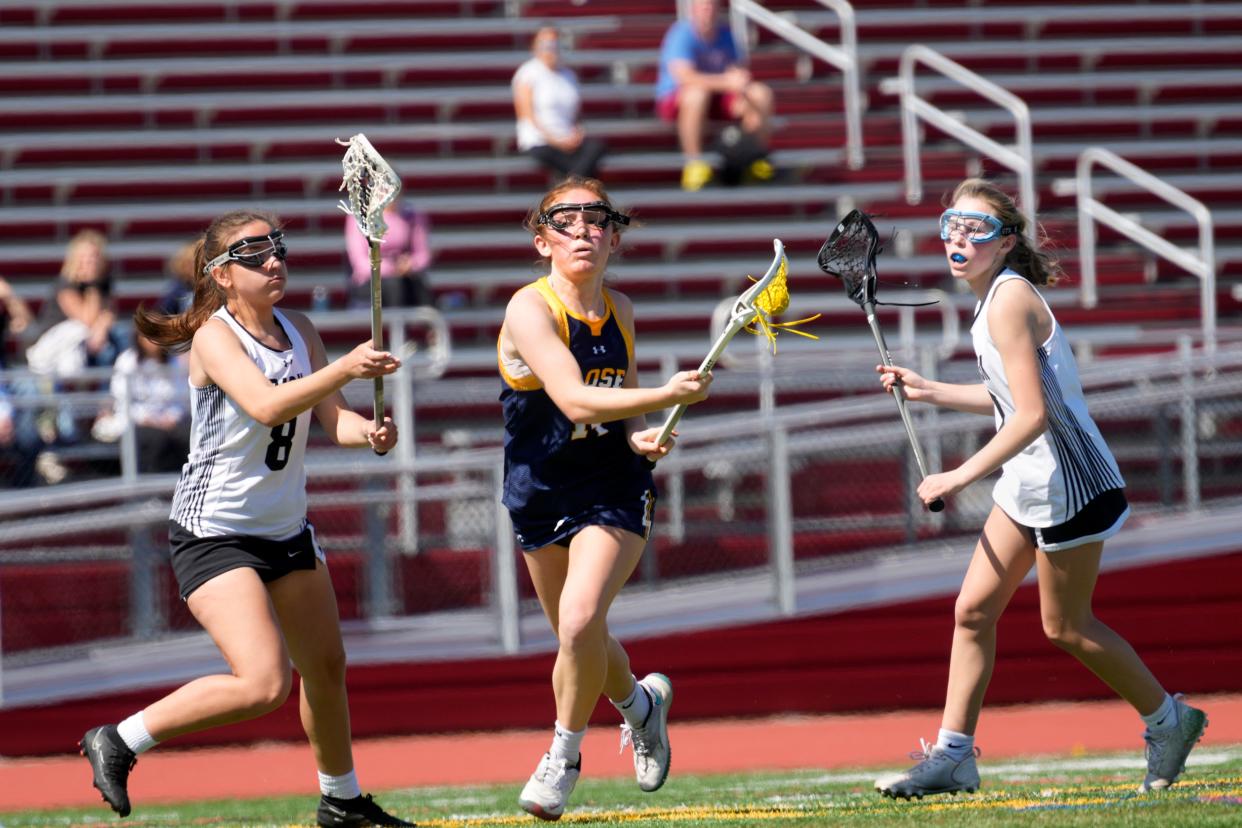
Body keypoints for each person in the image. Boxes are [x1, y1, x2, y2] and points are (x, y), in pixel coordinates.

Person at [871, 179, 1208, 799]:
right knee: (972, 612)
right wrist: (929, 389)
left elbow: (1031, 416)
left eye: (978, 229)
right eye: (952, 224)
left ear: (1004, 245)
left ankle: (1170, 721)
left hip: (1068, 482)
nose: (960, 238)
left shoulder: (1007, 301)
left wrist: (956, 475)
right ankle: (953, 756)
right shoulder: (990, 300)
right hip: (1028, 479)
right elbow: (1010, 401)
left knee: (1066, 626)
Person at [78, 209, 413, 828]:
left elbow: (332, 420)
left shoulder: (301, 327)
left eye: (276, 249)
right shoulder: (213, 334)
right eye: (254, 254)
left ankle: (341, 800)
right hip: (216, 533)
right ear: (223, 275)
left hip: (285, 528)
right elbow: (264, 405)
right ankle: (120, 739)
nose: (273, 262)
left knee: (327, 667)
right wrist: (343, 367)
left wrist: (371, 432)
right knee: (263, 683)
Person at [499, 177, 712, 820]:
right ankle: (642, 707)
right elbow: (575, 399)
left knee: (578, 619)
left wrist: (640, 436)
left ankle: (562, 758)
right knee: (581, 635)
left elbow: (618, 400)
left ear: (614, 235)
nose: (583, 231)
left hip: (612, 485)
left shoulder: (620, 307)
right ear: (543, 241)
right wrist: (664, 400)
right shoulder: (528, 309)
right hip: (539, 487)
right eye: (566, 220)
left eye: (596, 219)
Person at [656, 0, 775, 191]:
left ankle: (754, 156)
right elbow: (685, 77)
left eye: (711, 5)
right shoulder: (681, 34)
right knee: (697, 94)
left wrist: (740, 83)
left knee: (760, 94)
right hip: (679, 99)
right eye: (703, 6)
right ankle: (694, 163)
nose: (708, 10)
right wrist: (726, 82)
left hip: (717, 98)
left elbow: (737, 73)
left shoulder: (726, 35)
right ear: (693, 9)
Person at [512, 27, 607, 181]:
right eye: (546, 44)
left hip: (567, 138)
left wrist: (576, 134)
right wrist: (556, 140)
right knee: (568, 162)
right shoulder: (527, 73)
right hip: (540, 140)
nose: (551, 49)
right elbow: (527, 116)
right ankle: (575, 185)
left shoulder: (568, 75)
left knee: (595, 148)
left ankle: (572, 185)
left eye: (554, 44)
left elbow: (575, 115)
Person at [91, 330, 192, 474]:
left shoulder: (173, 361)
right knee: (153, 439)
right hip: (138, 422)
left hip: (170, 422)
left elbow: (181, 396)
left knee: (187, 435)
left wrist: (171, 417)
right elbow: (122, 398)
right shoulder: (127, 361)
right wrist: (146, 418)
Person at [344, 200, 433, 311]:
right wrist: (392, 267)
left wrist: (411, 264)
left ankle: (425, 325)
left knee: (417, 286)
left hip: (405, 279)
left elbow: (423, 255)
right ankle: (397, 325)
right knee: (394, 285)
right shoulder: (359, 216)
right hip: (370, 281)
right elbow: (360, 262)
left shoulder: (411, 216)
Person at [0, 275, 41, 488]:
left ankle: (24, 483)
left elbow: (29, 330)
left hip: (4, 377)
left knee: (29, 387)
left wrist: (9, 295)